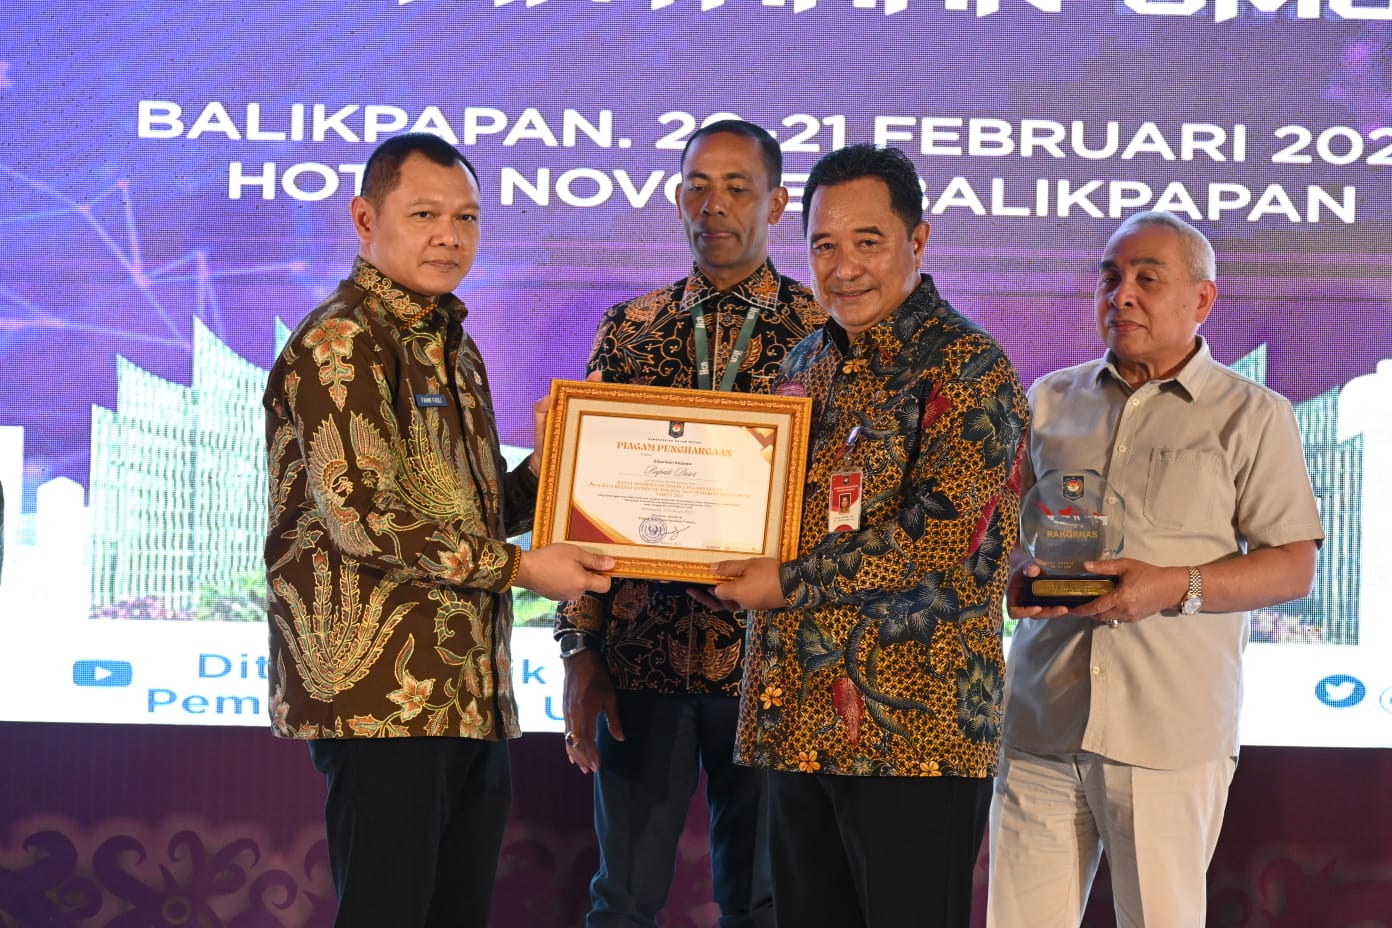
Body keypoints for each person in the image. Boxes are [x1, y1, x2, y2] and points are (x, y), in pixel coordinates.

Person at [263, 132, 614, 928]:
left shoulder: (452, 346)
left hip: (466, 694)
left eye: (467, 217)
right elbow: (362, 519)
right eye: (424, 213)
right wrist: (526, 573)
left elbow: (475, 511)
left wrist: (557, 468)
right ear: (364, 217)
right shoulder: (343, 341)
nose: (449, 235)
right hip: (381, 699)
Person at [712, 144, 1029, 928]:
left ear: (916, 243)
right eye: (824, 245)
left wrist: (785, 582)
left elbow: (940, 533)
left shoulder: (968, 367)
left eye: (868, 242)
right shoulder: (804, 361)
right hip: (797, 718)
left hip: (913, 729)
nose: (843, 267)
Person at [986, 211, 1324, 928]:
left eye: (1148, 278)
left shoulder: (1252, 415)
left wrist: (1173, 586)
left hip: (1167, 733)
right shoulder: (1048, 401)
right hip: (1043, 720)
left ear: (1201, 300)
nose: (1123, 295)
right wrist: (1017, 577)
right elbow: (1010, 536)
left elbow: (1293, 568)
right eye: (1111, 277)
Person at [553, 119, 824, 927]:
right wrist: (580, 651)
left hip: (775, 663)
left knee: (763, 903)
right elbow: (584, 502)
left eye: (738, 188)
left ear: (777, 203)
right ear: (676, 200)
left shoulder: (823, 333)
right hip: (641, 660)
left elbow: (849, 505)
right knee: (623, 900)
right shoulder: (630, 329)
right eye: (699, 187)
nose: (716, 205)